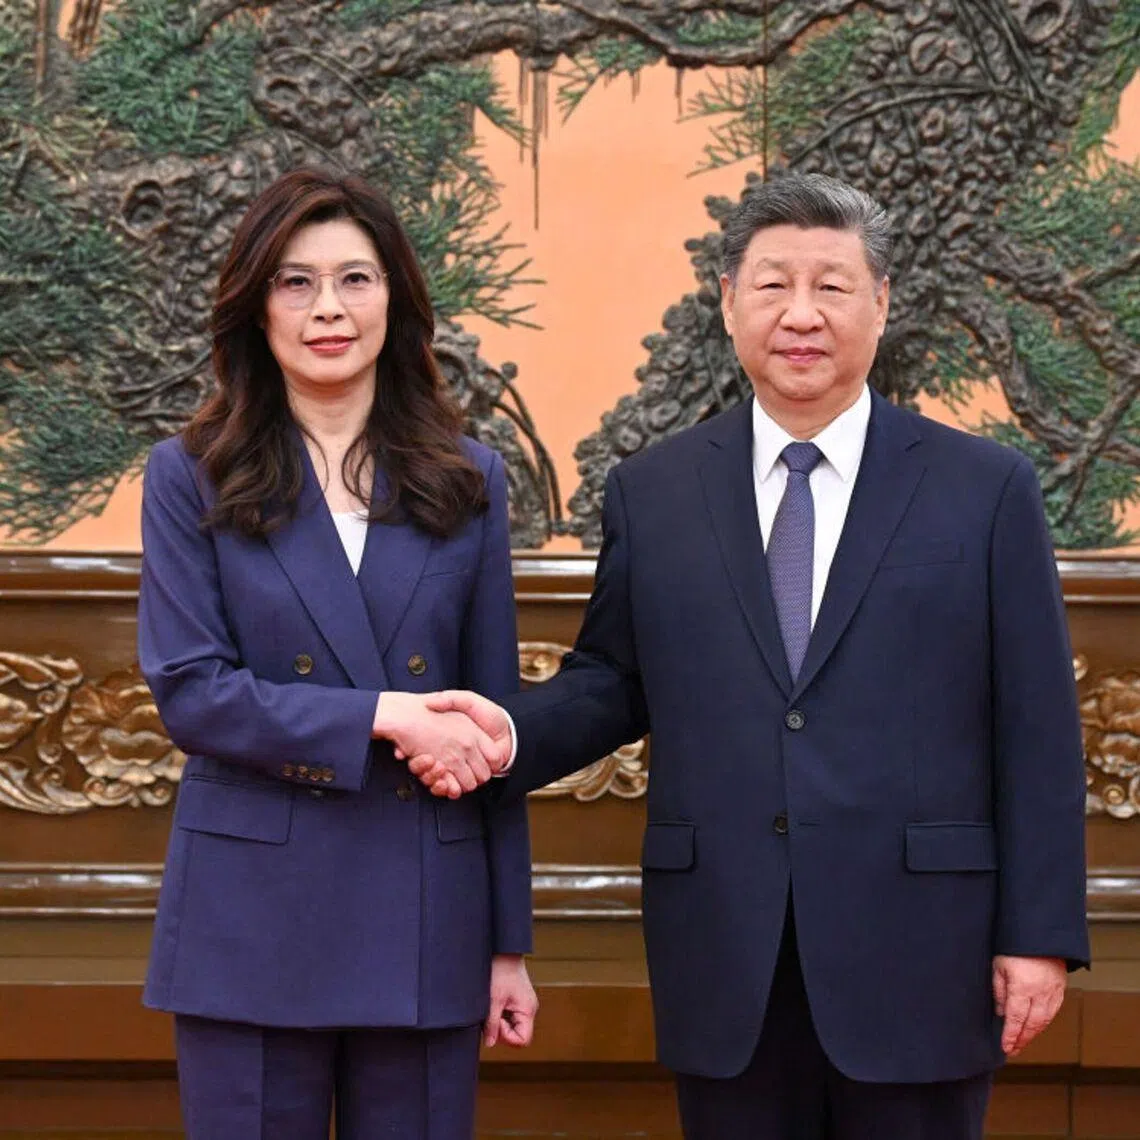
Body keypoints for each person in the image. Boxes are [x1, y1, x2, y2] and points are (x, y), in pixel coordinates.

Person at [408, 173, 1090, 1139]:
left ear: (882, 305)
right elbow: (614, 680)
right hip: (727, 948)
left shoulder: (983, 489)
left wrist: (1039, 936)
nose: (801, 314)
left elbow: (1036, 726)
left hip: (923, 953)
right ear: (728, 304)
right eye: (772, 286)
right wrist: (503, 734)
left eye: (833, 286)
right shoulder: (656, 490)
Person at [137, 167, 537, 1140]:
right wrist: (387, 714)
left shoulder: (469, 479)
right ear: (255, 307)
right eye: (295, 281)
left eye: (356, 279)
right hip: (252, 920)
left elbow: (489, 724)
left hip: (428, 915)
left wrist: (507, 945)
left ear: (395, 300)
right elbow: (194, 695)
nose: (329, 308)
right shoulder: (189, 474)